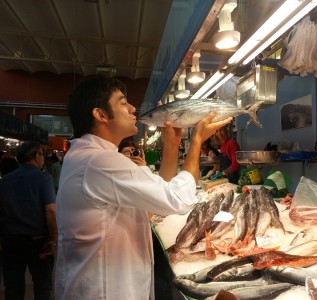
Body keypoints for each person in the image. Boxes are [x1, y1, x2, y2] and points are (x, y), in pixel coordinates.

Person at [54, 76, 232, 300]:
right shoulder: (99, 161)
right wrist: (197, 141)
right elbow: (177, 199)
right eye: (122, 102)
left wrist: (173, 145)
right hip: (104, 292)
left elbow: (155, 202)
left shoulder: (90, 156)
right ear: (100, 114)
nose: (132, 108)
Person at [0, 141, 57, 300]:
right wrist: (53, 240)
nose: (43, 158)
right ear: (36, 156)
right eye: (42, 154)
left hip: (11, 241)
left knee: (13, 288)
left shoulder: (5, 180)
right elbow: (51, 210)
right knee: (42, 286)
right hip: (38, 242)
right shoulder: (43, 178)